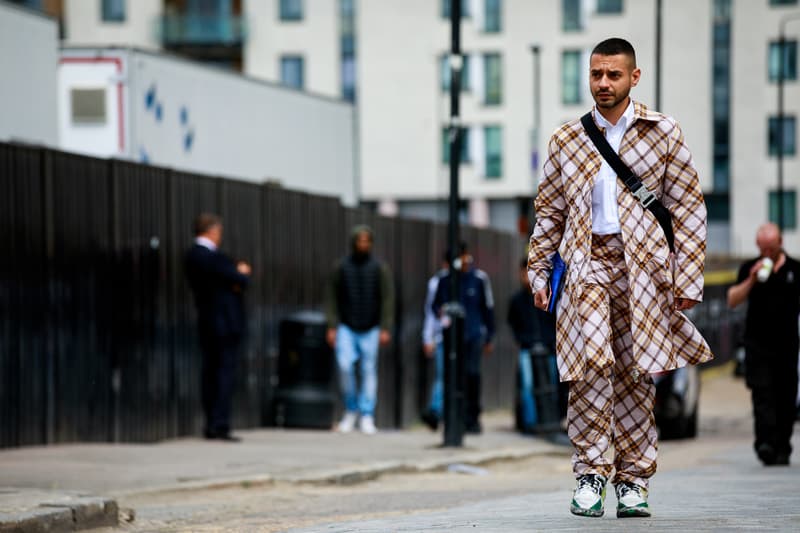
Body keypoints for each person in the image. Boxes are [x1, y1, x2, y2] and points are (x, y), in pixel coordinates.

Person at [527, 38, 712, 518]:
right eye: (596, 74)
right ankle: (590, 473)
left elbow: (688, 208)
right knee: (589, 367)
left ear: (634, 77)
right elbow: (550, 211)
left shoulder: (663, 131)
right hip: (586, 263)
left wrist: (687, 279)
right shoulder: (566, 139)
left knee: (635, 374)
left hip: (645, 270)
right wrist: (539, 270)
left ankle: (633, 480)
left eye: (613, 74)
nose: (603, 83)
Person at [727, 222, 799, 466]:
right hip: (757, 345)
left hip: (787, 346)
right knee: (762, 395)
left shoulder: (794, 269)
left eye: (771, 248)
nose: (767, 253)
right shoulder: (750, 268)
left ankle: (783, 445)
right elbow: (732, 300)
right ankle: (765, 443)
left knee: (786, 396)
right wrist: (751, 280)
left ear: (780, 243)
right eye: (763, 248)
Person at [185, 213, 251, 442]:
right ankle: (219, 424)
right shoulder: (212, 257)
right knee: (223, 374)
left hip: (207, 321)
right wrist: (240, 273)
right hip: (224, 322)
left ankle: (212, 422)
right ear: (212, 231)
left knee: (210, 373)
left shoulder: (193, 256)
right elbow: (240, 279)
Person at [325, 225, 394, 435]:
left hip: (371, 326)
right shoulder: (341, 267)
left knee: (368, 370)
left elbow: (387, 298)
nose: (363, 244)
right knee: (344, 366)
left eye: (366, 241)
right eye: (360, 241)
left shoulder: (379, 268)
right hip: (347, 325)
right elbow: (331, 297)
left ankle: (366, 414)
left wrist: (385, 326)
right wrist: (332, 325)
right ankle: (351, 409)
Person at [432, 242, 495, 434]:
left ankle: (472, 417)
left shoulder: (479, 279)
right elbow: (436, 305)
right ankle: (454, 417)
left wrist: (489, 336)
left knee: (472, 374)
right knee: (453, 377)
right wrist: (442, 313)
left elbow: (488, 309)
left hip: (474, 336)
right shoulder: (445, 280)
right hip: (452, 337)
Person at [507, 257, 557, 433]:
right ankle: (530, 421)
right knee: (527, 385)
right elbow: (513, 323)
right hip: (527, 348)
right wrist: (523, 339)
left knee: (552, 383)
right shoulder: (517, 300)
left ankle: (551, 417)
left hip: (548, 347)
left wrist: (549, 340)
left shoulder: (548, 295)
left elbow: (553, 321)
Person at [420, 256, 449, 431]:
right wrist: (427, 338)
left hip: (464, 338)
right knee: (442, 376)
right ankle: (436, 411)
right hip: (441, 337)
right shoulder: (436, 283)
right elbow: (430, 312)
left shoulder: (472, 278)